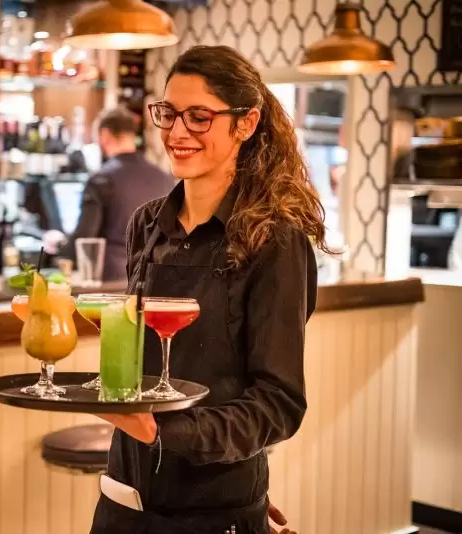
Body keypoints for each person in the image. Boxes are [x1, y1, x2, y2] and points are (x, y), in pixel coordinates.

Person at [90, 45, 326, 534]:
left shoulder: (276, 239)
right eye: (169, 114)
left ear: (245, 123)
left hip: (213, 510)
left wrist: (165, 431)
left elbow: (278, 402)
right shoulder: (147, 224)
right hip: (124, 498)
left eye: (199, 117)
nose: (177, 133)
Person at [53, 106, 174, 282]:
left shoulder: (101, 179)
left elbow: (85, 237)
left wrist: (59, 249)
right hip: (155, 280)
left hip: (112, 283)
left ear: (105, 135)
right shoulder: (164, 178)